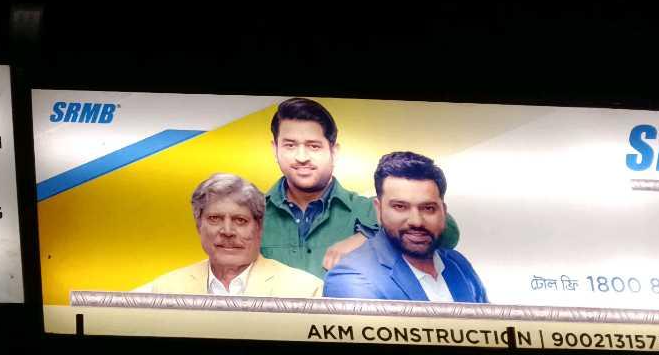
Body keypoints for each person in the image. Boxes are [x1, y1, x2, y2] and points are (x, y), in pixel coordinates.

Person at [261, 98, 460, 277]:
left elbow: (449, 232)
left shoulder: (368, 209)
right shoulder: (252, 214)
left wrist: (370, 238)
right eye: (290, 145)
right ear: (275, 149)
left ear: (334, 152)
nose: (301, 157)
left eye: (314, 146)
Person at [323, 152, 489, 303]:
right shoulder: (352, 277)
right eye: (400, 207)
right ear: (379, 210)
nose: (416, 221)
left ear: (443, 212)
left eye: (428, 208)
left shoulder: (458, 263)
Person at [142, 174, 325, 297]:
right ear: (199, 225)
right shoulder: (166, 289)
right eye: (215, 218)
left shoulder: (305, 291)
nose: (227, 231)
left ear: (259, 227)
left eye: (240, 220)